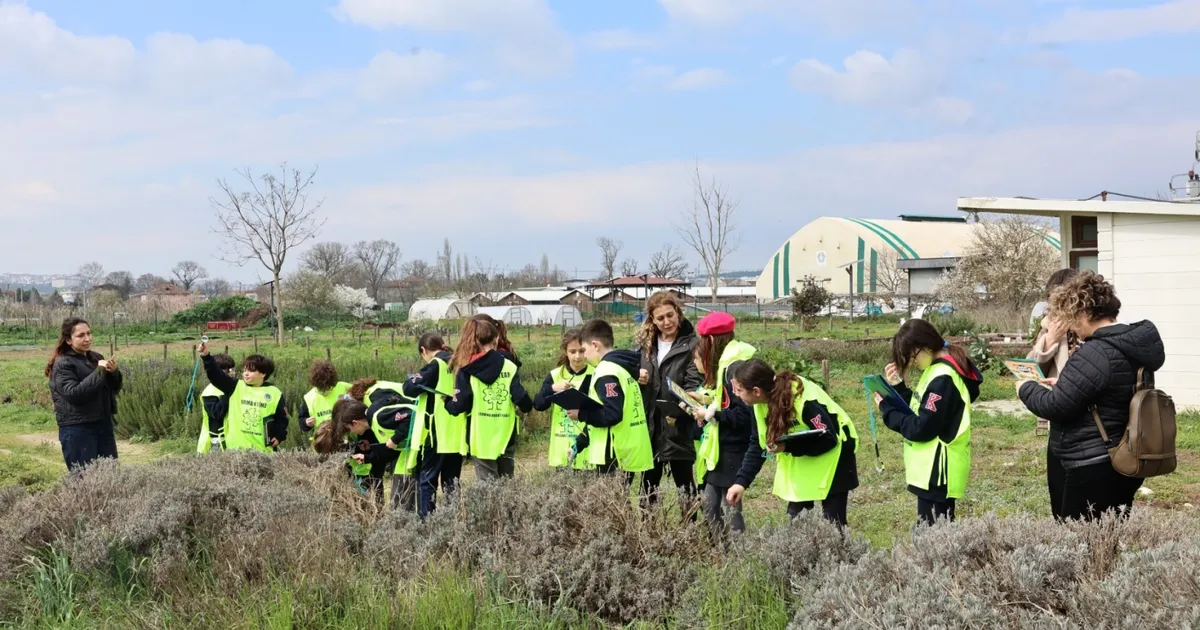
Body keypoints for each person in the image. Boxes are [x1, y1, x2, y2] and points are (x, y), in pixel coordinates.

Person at [1018, 271, 1164, 521]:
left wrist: (1025, 387)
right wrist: (1068, 383)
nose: (1072, 326)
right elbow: (1108, 390)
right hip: (1124, 453)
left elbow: (1055, 406)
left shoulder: (1095, 352)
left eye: (1072, 317)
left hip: (1093, 462)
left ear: (1085, 313)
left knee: (1079, 536)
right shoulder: (1130, 344)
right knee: (1108, 533)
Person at [726, 358, 859, 526]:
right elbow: (758, 444)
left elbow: (829, 439)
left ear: (756, 391)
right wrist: (741, 482)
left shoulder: (802, 401)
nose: (735, 394)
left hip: (837, 456)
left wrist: (787, 446)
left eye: (739, 390)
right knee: (796, 522)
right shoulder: (757, 404)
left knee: (834, 523)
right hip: (805, 458)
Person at [876, 319, 982, 525]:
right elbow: (920, 409)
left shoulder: (942, 379)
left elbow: (921, 428)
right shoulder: (936, 370)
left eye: (911, 356)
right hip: (930, 471)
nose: (911, 362)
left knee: (933, 535)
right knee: (931, 533)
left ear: (924, 346)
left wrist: (887, 411)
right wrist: (899, 388)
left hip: (938, 471)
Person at [688, 312, 757, 534]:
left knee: (729, 509)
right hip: (722, 447)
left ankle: (736, 551)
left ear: (710, 340)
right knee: (710, 505)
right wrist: (708, 403)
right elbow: (727, 403)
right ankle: (721, 550)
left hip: (733, 449)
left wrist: (710, 415)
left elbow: (744, 416)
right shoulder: (728, 363)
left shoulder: (732, 369)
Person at [633, 292, 702, 508]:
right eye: (660, 318)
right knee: (648, 487)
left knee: (685, 486)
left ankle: (689, 526)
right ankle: (649, 527)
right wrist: (637, 377)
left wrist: (681, 407)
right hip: (650, 425)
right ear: (652, 320)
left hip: (678, 424)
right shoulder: (645, 345)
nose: (666, 322)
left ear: (678, 313)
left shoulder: (692, 345)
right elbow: (632, 375)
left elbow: (694, 383)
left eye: (670, 315)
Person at [445, 317, 533, 480]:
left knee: (487, 486)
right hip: (506, 433)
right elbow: (521, 398)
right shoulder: (510, 365)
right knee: (507, 481)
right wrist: (528, 405)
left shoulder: (466, 369)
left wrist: (448, 403)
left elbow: (460, 405)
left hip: (480, 436)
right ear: (496, 339)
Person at [571, 319, 654, 480]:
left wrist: (581, 415)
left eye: (584, 350)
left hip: (613, 452)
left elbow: (612, 414)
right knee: (620, 496)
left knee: (611, 496)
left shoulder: (606, 372)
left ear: (595, 345)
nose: (584, 356)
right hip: (627, 448)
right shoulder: (623, 368)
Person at [1026, 268, 1079, 517]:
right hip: (1059, 418)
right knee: (1058, 492)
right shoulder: (1049, 326)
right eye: (1052, 301)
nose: (1055, 308)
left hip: (1087, 424)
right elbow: (1031, 367)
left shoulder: (1088, 327)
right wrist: (1050, 339)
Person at [401, 333, 466, 517]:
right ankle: (454, 519)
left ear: (423, 350)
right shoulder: (458, 362)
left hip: (437, 432)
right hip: (456, 433)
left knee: (428, 480)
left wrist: (412, 378)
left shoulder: (436, 364)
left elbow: (409, 388)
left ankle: (427, 523)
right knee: (452, 482)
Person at [46, 317, 122, 471]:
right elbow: (75, 394)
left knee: (110, 475)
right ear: (68, 340)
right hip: (78, 429)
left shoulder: (96, 358)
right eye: (81, 335)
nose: (87, 339)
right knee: (84, 478)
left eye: (89, 333)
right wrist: (99, 372)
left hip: (103, 424)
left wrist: (113, 373)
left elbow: (113, 389)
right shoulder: (63, 363)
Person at [199, 341, 289, 452]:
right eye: (244, 370)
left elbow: (281, 419)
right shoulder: (235, 386)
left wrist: (279, 435)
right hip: (236, 452)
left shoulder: (274, 393)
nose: (246, 373)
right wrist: (206, 357)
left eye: (251, 371)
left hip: (264, 452)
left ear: (263, 373)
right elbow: (216, 376)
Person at [313, 398, 401, 504]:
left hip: (372, 470)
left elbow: (386, 452)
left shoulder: (363, 427)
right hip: (359, 472)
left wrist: (366, 454)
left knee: (375, 498)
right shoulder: (333, 431)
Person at [532, 328, 595, 470]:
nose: (578, 356)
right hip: (560, 447)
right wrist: (552, 388)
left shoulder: (595, 373)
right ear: (565, 352)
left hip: (587, 448)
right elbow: (538, 404)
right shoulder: (555, 375)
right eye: (573, 352)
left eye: (582, 351)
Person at [196, 354, 235, 454]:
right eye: (227, 370)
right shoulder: (209, 392)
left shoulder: (236, 387)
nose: (231, 373)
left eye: (232, 369)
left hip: (233, 439)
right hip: (217, 442)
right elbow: (217, 414)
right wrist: (227, 393)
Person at [298, 360, 351, 432]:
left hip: (347, 436)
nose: (325, 392)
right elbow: (302, 420)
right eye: (321, 389)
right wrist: (306, 423)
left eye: (328, 388)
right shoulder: (309, 398)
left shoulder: (345, 388)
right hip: (323, 437)